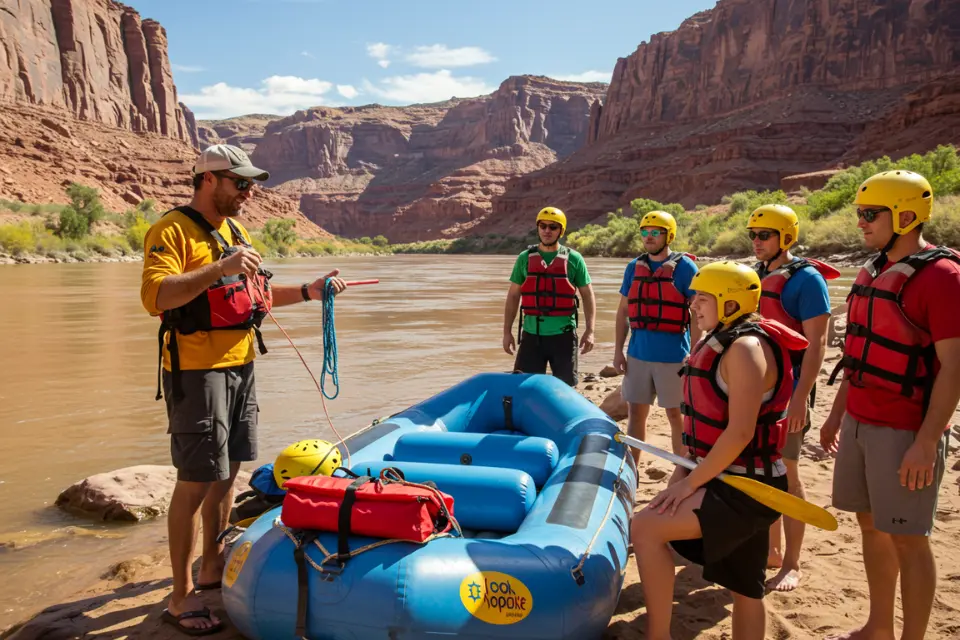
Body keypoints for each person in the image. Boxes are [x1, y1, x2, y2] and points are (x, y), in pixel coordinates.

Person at [140, 144, 348, 635]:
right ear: (209, 180)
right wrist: (218, 267)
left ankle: (210, 564)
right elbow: (156, 297)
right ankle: (179, 595)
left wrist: (308, 291)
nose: (249, 192)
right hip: (196, 372)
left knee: (229, 473)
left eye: (251, 183)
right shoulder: (170, 230)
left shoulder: (235, 231)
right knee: (194, 481)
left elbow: (252, 294)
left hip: (241, 365)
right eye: (240, 183)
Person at [631, 261, 808, 640]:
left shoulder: (745, 349)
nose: (692, 305)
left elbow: (741, 433)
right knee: (745, 586)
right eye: (693, 297)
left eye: (702, 298)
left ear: (730, 304)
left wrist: (687, 484)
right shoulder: (721, 338)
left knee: (645, 529)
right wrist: (681, 475)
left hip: (746, 488)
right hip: (726, 475)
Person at [820, 170, 960, 640]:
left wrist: (925, 442)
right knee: (870, 527)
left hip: (904, 431)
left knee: (909, 538)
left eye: (868, 214)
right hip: (859, 421)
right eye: (858, 213)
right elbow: (857, 353)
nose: (860, 222)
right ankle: (879, 625)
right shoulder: (873, 270)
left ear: (904, 216)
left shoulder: (942, 278)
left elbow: (954, 370)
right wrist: (837, 414)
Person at [746, 204, 835, 592]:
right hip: (758, 393)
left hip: (790, 395)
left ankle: (793, 564)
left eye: (764, 235)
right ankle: (772, 551)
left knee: (789, 476)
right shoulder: (755, 277)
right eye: (753, 235)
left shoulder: (808, 280)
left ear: (786, 237)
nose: (756, 242)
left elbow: (817, 345)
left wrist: (800, 400)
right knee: (762, 472)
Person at [613, 211, 701, 462]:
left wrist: (695, 353)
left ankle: (682, 469)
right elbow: (623, 313)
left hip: (674, 357)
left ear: (669, 235)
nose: (648, 237)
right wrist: (618, 351)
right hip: (638, 355)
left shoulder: (685, 268)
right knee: (636, 414)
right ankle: (632, 471)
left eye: (655, 232)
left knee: (676, 415)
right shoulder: (634, 267)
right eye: (644, 232)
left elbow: (697, 314)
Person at [502, 206, 595, 386]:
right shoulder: (524, 258)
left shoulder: (574, 259)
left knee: (566, 389)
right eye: (543, 226)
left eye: (553, 227)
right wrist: (507, 332)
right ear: (537, 228)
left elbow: (588, 295)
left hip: (564, 337)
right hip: (531, 335)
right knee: (524, 387)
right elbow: (513, 296)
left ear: (561, 231)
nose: (547, 231)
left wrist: (590, 331)